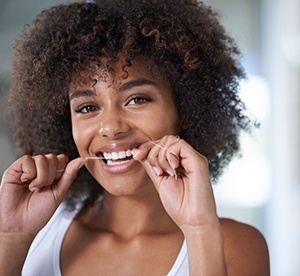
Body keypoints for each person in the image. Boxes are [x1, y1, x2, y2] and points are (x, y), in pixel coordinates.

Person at [0, 0, 270, 275]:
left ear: (185, 109)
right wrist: (11, 238)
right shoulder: (35, 233)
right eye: (87, 107)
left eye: (137, 99)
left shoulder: (234, 245)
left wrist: (199, 230)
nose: (110, 127)